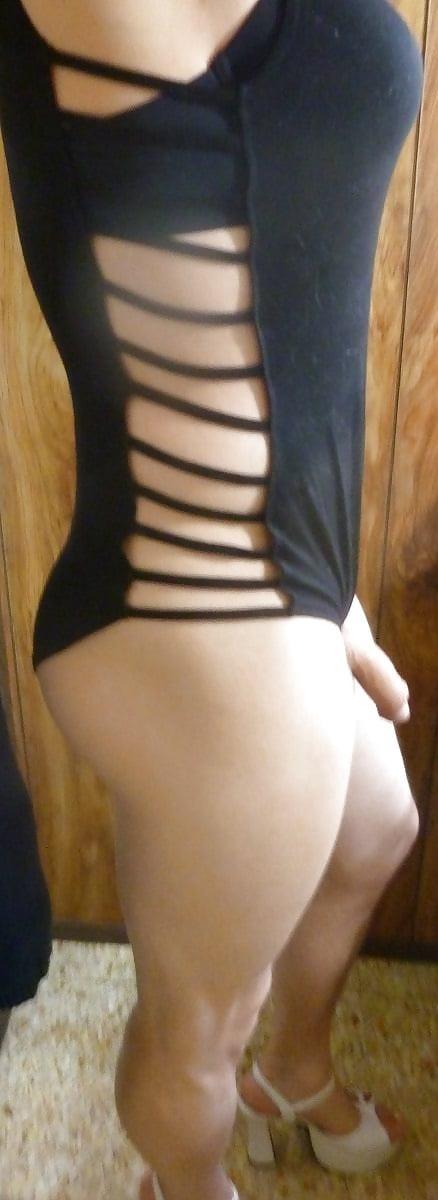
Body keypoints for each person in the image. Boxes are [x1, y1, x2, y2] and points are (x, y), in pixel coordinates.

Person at [0, 2, 423, 1198]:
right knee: (197, 1027)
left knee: (376, 832)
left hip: (289, 569)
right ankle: (187, 1185)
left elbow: (276, 267)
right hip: (200, 602)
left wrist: (333, 595)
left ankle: (291, 1075)